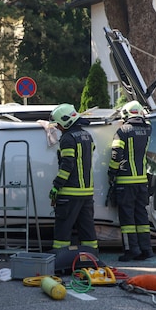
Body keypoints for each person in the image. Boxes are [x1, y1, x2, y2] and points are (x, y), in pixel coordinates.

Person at [48, 103, 98, 252]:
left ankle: (60, 259)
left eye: (58, 124)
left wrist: (56, 186)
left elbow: (67, 166)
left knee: (63, 230)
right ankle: (91, 259)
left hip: (69, 193)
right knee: (87, 230)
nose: (57, 127)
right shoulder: (87, 136)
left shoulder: (67, 139)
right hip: (87, 193)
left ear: (65, 121)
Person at [108, 101, 154, 261]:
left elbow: (116, 154)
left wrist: (111, 172)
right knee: (141, 216)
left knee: (127, 218)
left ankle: (131, 250)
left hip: (125, 181)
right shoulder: (148, 129)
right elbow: (146, 121)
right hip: (142, 181)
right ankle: (146, 249)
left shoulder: (122, 131)